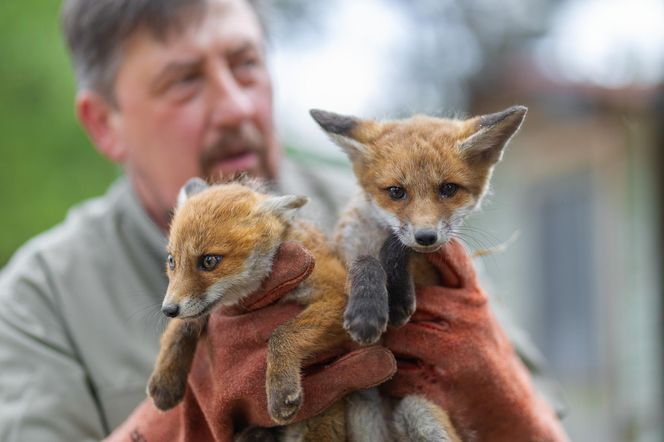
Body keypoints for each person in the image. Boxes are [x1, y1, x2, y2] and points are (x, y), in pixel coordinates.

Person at [0, 0, 569, 440]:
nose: (237, 106)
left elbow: (547, 427)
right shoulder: (42, 298)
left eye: (245, 64)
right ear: (104, 124)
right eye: (184, 81)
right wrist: (183, 423)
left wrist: (498, 393)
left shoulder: (386, 207)